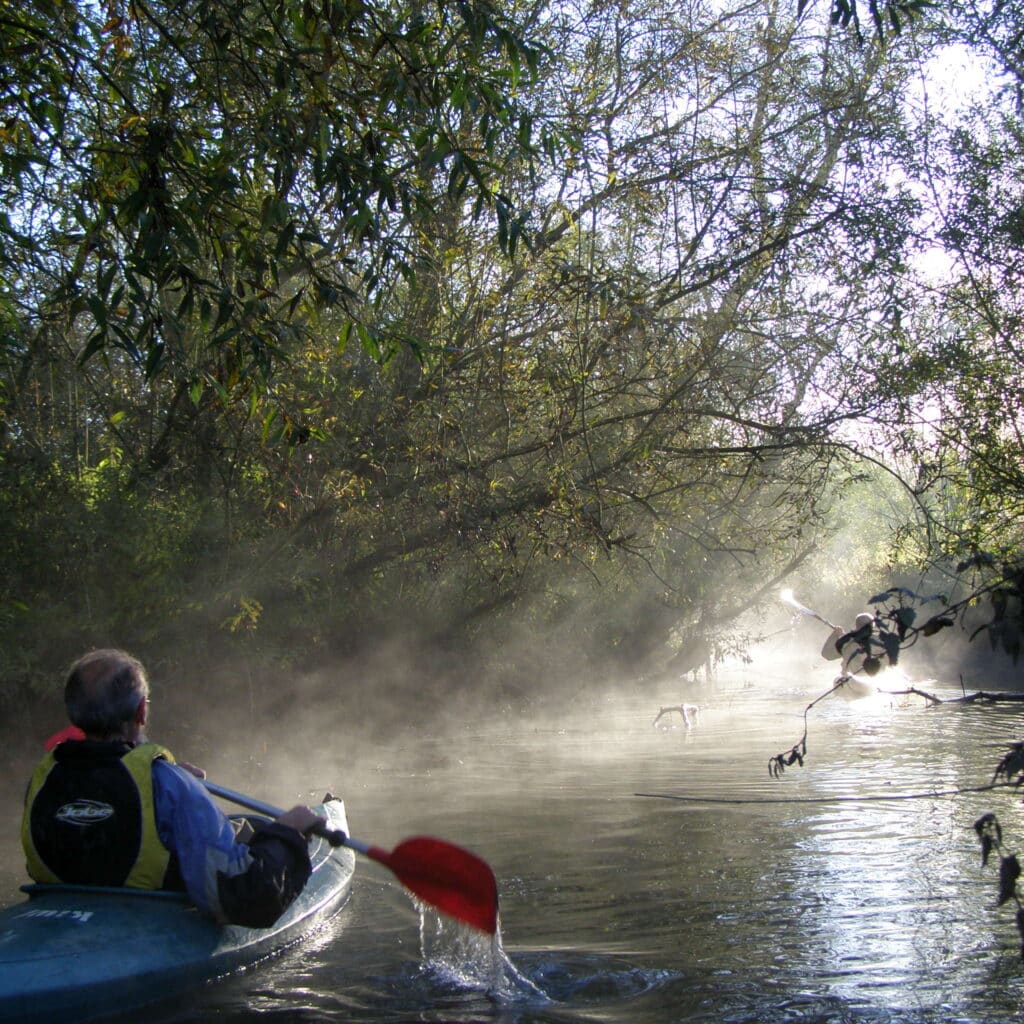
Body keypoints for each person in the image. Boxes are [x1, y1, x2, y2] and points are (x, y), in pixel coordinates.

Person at [22, 648, 325, 928]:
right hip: (147, 922)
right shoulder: (169, 785)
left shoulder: (44, 776)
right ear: (141, 711)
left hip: (59, 915)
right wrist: (288, 833)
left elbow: (105, 795)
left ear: (74, 712)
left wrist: (167, 779)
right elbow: (241, 895)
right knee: (260, 831)